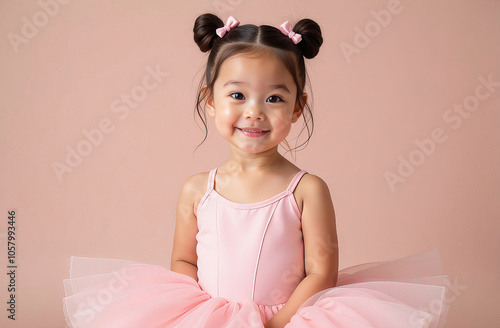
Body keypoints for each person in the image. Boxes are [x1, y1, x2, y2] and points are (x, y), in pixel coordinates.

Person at [62, 13, 451, 328]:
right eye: (237, 95)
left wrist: (277, 323)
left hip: (290, 316)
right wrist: (199, 315)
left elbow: (320, 271)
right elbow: (183, 261)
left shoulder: (306, 190)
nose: (254, 111)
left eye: (274, 98)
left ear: (298, 107)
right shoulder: (198, 190)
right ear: (210, 100)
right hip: (213, 316)